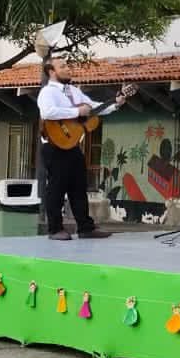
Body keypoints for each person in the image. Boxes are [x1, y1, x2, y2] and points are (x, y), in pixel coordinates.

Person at [35, 59, 120, 241]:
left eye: (67, 66)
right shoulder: (47, 92)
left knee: (79, 187)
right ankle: (55, 229)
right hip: (54, 145)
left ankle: (85, 228)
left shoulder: (74, 91)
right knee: (56, 188)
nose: (67, 69)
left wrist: (116, 104)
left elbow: (93, 108)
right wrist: (76, 113)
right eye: (62, 67)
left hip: (72, 146)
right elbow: (48, 112)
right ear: (51, 72)